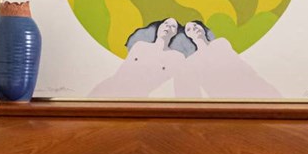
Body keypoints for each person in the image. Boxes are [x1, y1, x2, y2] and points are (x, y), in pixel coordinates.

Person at [89, 18, 280, 99]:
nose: (168, 27)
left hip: (254, 89)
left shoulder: (180, 58)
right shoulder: (141, 46)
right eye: (166, 24)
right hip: (111, 92)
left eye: (174, 27)